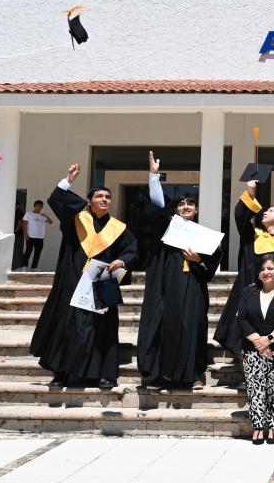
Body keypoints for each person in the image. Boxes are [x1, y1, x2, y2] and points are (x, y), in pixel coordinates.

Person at [29, 163, 137, 390]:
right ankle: (62, 373)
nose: (105, 199)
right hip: (74, 280)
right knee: (68, 325)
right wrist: (68, 181)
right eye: (99, 196)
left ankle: (105, 375)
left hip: (104, 280)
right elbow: (58, 201)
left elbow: (131, 249)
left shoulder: (119, 228)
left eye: (108, 196)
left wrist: (122, 261)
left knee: (104, 329)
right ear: (89, 200)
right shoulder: (76, 220)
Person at [137, 151, 223, 390]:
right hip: (168, 287)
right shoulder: (167, 231)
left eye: (190, 204)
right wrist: (154, 177)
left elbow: (211, 268)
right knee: (167, 326)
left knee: (193, 327)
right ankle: (163, 374)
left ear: (196, 209)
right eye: (181, 204)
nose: (186, 207)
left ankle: (195, 374)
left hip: (194, 287)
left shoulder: (205, 237)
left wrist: (198, 260)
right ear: (175, 210)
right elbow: (156, 208)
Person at [214, 179, 274, 360]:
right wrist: (250, 194)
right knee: (245, 331)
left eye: (270, 210)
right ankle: (248, 369)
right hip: (248, 291)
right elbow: (240, 216)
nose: (265, 212)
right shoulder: (254, 237)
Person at [237, 254, 274, 444]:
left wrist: (269, 340)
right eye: (263, 269)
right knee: (256, 388)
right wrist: (259, 342)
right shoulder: (248, 292)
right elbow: (241, 318)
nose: (266, 272)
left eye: (271, 268)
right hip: (252, 350)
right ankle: (257, 426)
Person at [21, 200, 53, 271]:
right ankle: (24, 266)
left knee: (37, 253)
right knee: (28, 251)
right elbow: (24, 224)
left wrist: (46, 215)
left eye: (40, 206)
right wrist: (25, 234)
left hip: (40, 238)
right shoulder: (28, 214)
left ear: (42, 207)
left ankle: (34, 267)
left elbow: (51, 222)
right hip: (30, 236)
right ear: (34, 206)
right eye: (37, 206)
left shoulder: (42, 216)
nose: (39, 208)